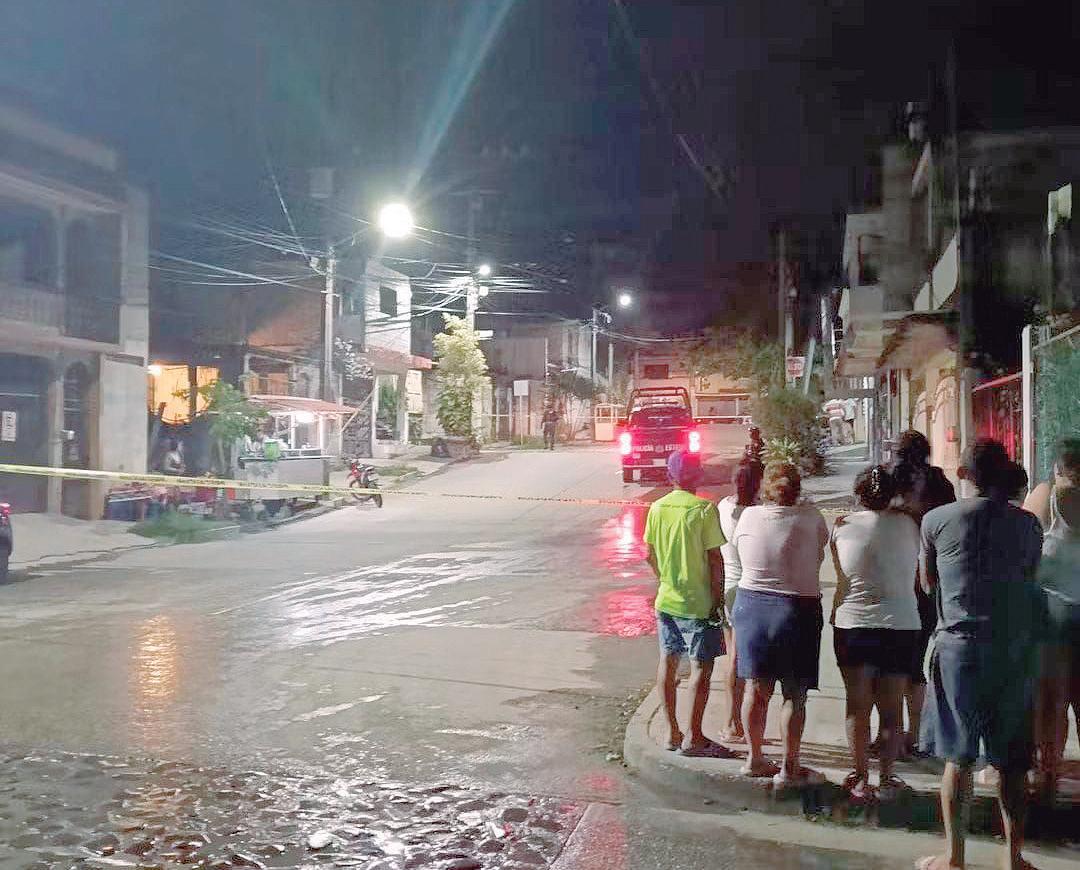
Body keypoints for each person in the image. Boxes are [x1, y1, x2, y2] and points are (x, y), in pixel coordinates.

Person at [917, 441, 1044, 870]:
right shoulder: (1027, 525)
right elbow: (1029, 578)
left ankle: (954, 857)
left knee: (959, 759)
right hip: (1011, 651)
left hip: (958, 650)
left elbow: (928, 584)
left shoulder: (936, 520)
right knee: (1012, 763)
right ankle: (1014, 857)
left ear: (963, 474)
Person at [732, 462, 829, 787]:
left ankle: (754, 758)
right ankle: (790, 767)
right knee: (794, 695)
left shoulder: (748, 516)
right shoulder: (811, 517)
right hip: (798, 608)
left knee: (756, 689)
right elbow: (819, 554)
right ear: (797, 489)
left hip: (753, 606)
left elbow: (740, 551)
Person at [830, 465, 920, 800]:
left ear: (858, 494)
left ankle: (859, 776)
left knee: (857, 705)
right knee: (892, 708)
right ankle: (887, 777)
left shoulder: (842, 527)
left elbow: (841, 577)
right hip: (900, 623)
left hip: (853, 623)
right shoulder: (910, 525)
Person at [643, 449, 736, 759]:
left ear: (670, 476)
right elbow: (715, 560)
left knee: (668, 662)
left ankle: (672, 732)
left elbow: (649, 554)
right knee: (701, 668)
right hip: (698, 604)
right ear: (698, 476)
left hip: (666, 600)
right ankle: (694, 737)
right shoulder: (703, 510)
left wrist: (664, 579)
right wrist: (718, 599)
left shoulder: (657, 508)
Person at [890, 429, 956, 755]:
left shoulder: (889, 483)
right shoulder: (939, 483)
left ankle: (892, 733)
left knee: (893, 665)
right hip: (929, 581)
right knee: (916, 661)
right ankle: (914, 734)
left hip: (894, 580)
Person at [1024, 438, 1080, 801]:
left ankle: (1049, 775)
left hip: (1053, 613)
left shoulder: (1046, 496)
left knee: (1051, 700)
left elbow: (1020, 544)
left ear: (1058, 467)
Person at [716, 457, 763, 744]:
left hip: (729, 588)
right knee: (745, 660)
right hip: (751, 589)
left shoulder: (722, 507)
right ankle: (738, 724)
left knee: (733, 655)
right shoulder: (758, 514)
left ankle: (732, 722)